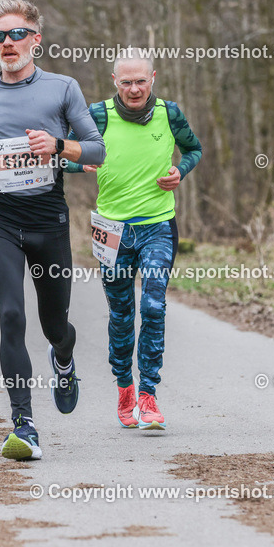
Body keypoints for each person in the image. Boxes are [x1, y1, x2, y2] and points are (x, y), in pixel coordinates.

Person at [0, 0, 106, 461]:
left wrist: (59, 145)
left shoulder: (62, 88)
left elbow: (97, 152)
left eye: (17, 34)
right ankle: (24, 425)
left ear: (36, 39)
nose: (7, 44)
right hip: (0, 218)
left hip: (49, 219)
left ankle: (64, 357)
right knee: (11, 316)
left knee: (53, 323)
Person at [67, 48, 202, 430]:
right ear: (115, 82)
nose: (134, 88)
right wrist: (81, 161)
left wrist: (181, 170)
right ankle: (125, 386)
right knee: (122, 315)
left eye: (140, 80)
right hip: (111, 231)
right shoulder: (97, 115)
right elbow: (64, 155)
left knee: (154, 306)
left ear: (153, 77)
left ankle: (149, 396)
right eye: (126, 82)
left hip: (158, 224)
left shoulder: (169, 113)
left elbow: (195, 149)